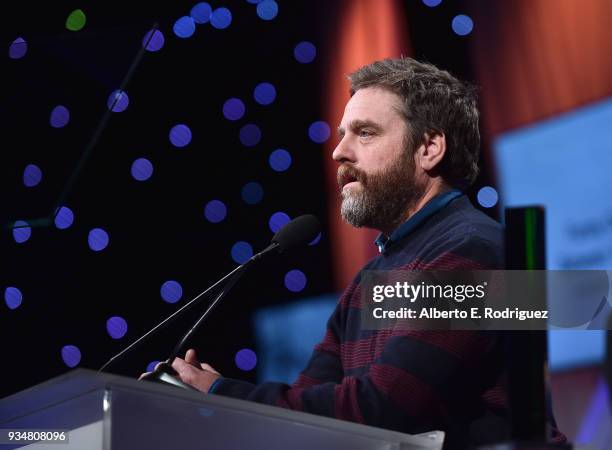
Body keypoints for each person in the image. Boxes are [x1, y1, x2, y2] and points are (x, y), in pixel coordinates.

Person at [141, 58, 558, 448]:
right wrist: (209, 402)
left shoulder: (472, 250)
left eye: (365, 132)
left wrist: (221, 392)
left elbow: (383, 409)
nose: (339, 151)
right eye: (342, 134)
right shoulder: (368, 281)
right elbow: (306, 408)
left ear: (429, 148)